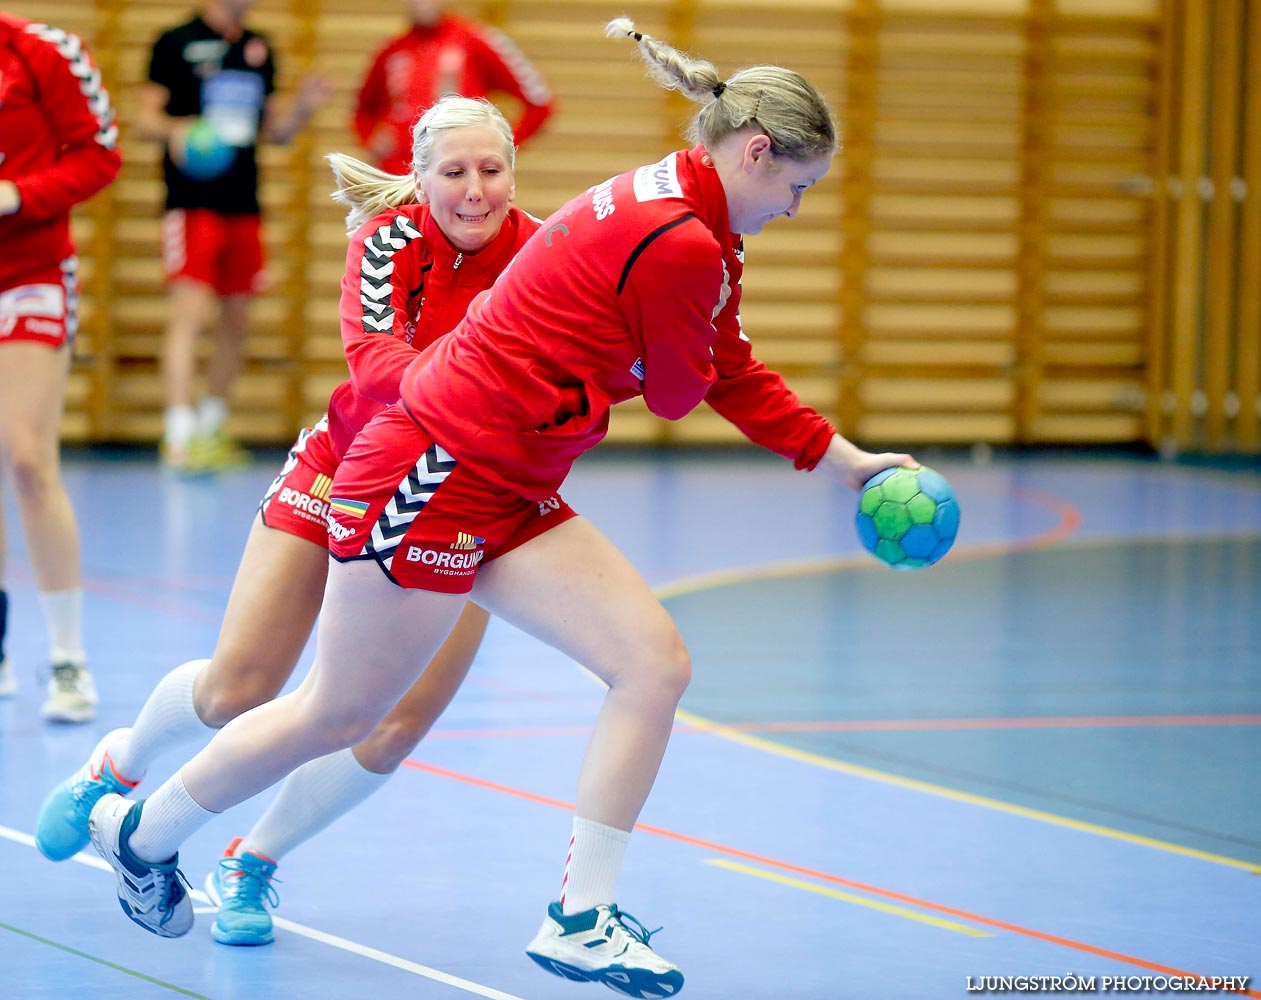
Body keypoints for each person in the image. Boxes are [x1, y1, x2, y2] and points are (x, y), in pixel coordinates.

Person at [80, 18, 919, 998]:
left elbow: (715, 365)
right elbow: (692, 388)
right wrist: (657, 365)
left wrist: (846, 461)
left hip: (512, 480)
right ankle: (145, 834)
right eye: (794, 188)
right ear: (755, 151)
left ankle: (580, 916)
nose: (794, 209)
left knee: (653, 662)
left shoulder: (677, 200)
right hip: (431, 471)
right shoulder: (684, 241)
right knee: (337, 708)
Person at [35, 95, 538, 946]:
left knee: (393, 725)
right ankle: (118, 764)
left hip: (477, 501)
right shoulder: (390, 243)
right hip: (348, 470)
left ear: (513, 172)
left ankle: (251, 863)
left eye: (491, 170)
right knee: (242, 685)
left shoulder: (546, 255)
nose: (475, 191)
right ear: (420, 178)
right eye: (453, 171)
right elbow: (380, 376)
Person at [136, 0, 331, 472]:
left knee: (237, 319)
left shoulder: (257, 47)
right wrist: (177, 130)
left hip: (244, 202)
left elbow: (276, 131)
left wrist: (303, 108)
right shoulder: (175, 41)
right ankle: (178, 434)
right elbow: (145, 120)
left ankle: (211, 425)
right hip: (192, 202)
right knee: (190, 313)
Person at [0, 13, 122, 722]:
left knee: (25, 456)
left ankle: (69, 661)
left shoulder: (42, 52)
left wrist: (20, 195)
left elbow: (100, 155)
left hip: (32, 272)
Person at [354, 0, 553, 174]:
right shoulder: (392, 50)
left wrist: (499, 150)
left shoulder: (476, 40)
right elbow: (362, 109)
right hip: (396, 177)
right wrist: (370, 139)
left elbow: (539, 103)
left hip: (455, 178)